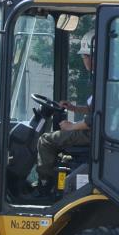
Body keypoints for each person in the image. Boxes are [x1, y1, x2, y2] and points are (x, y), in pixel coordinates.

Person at [35, 35, 95, 196]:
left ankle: (45, 184)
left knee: (45, 140)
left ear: (91, 57)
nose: (84, 60)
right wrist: (74, 108)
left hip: (92, 135)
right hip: (98, 133)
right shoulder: (106, 78)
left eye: (84, 56)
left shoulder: (101, 81)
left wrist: (71, 126)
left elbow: (92, 121)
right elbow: (95, 110)